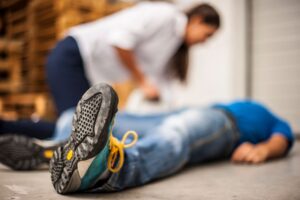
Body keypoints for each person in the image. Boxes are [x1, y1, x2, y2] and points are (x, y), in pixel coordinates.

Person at [0, 83, 294, 193]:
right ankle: (61, 149)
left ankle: (108, 168)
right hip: (191, 111)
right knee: (69, 116)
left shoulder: (269, 118)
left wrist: (264, 149)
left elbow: (284, 136)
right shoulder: (229, 102)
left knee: (177, 134)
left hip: (224, 125)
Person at [0, 2, 221, 140]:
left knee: (83, 131)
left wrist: (175, 116)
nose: (205, 42)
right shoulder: (164, 15)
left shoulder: (173, 45)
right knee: (76, 130)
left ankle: (15, 133)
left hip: (88, 70)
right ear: (198, 20)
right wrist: (142, 80)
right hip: (73, 55)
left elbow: (162, 84)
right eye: (207, 34)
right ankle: (7, 129)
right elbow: (120, 41)